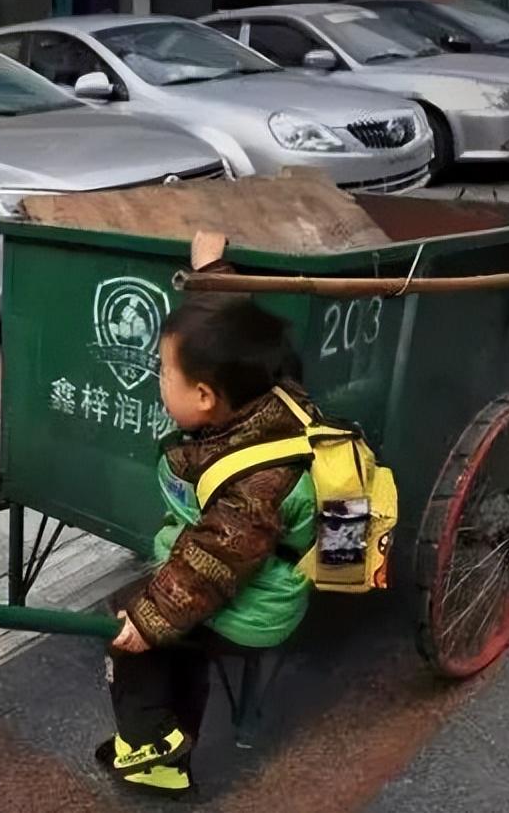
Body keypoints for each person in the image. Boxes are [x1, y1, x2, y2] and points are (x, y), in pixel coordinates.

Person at [97, 293, 316, 796]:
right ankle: (174, 754)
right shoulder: (265, 403)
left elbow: (215, 555)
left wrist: (149, 619)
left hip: (258, 605)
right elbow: (231, 337)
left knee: (130, 627)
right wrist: (212, 273)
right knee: (178, 637)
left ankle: (151, 740)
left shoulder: (260, 480)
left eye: (163, 373)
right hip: (251, 582)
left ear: (203, 396)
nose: (158, 380)